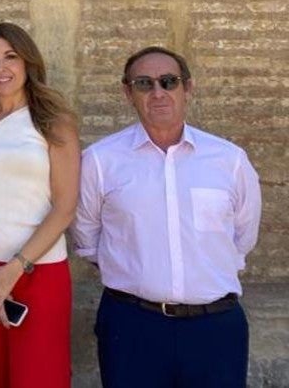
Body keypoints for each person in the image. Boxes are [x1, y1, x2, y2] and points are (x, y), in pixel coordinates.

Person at [73, 46, 262, 387]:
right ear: (128, 92)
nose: (158, 92)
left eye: (169, 81)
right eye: (144, 83)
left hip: (215, 329)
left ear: (187, 88)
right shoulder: (100, 161)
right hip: (132, 326)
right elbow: (87, 239)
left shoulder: (229, 160)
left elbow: (243, 237)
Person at [0, 22, 80, 387]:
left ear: (28, 63)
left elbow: (65, 205)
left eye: (10, 57)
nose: (0, 68)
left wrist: (12, 271)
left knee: (38, 374)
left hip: (39, 271)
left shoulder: (55, 122)